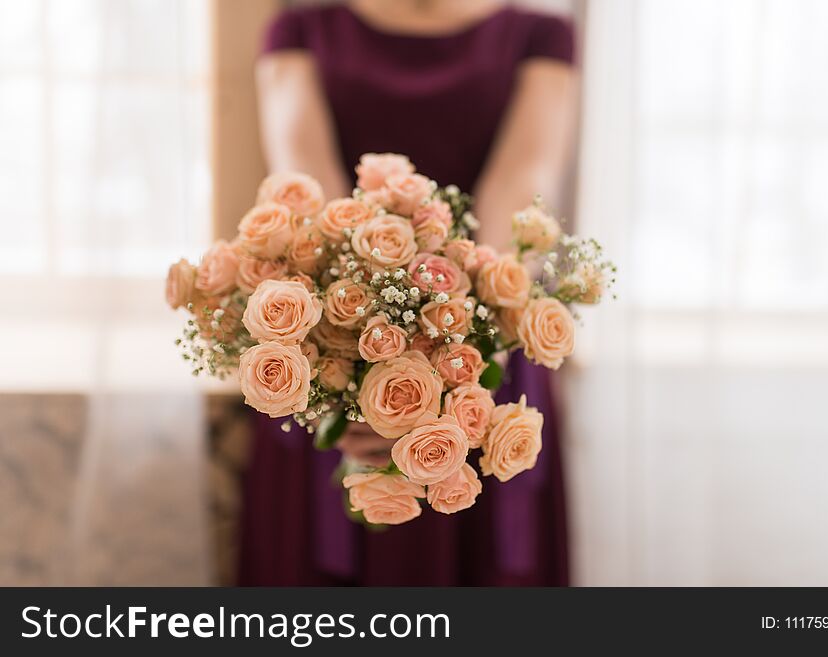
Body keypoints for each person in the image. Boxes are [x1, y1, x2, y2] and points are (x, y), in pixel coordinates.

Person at [239, 0, 577, 585]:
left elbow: (522, 181)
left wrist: (466, 352)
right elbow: (307, 181)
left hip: (485, 345)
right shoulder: (301, 30)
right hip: (331, 336)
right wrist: (341, 374)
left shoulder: (541, 36)